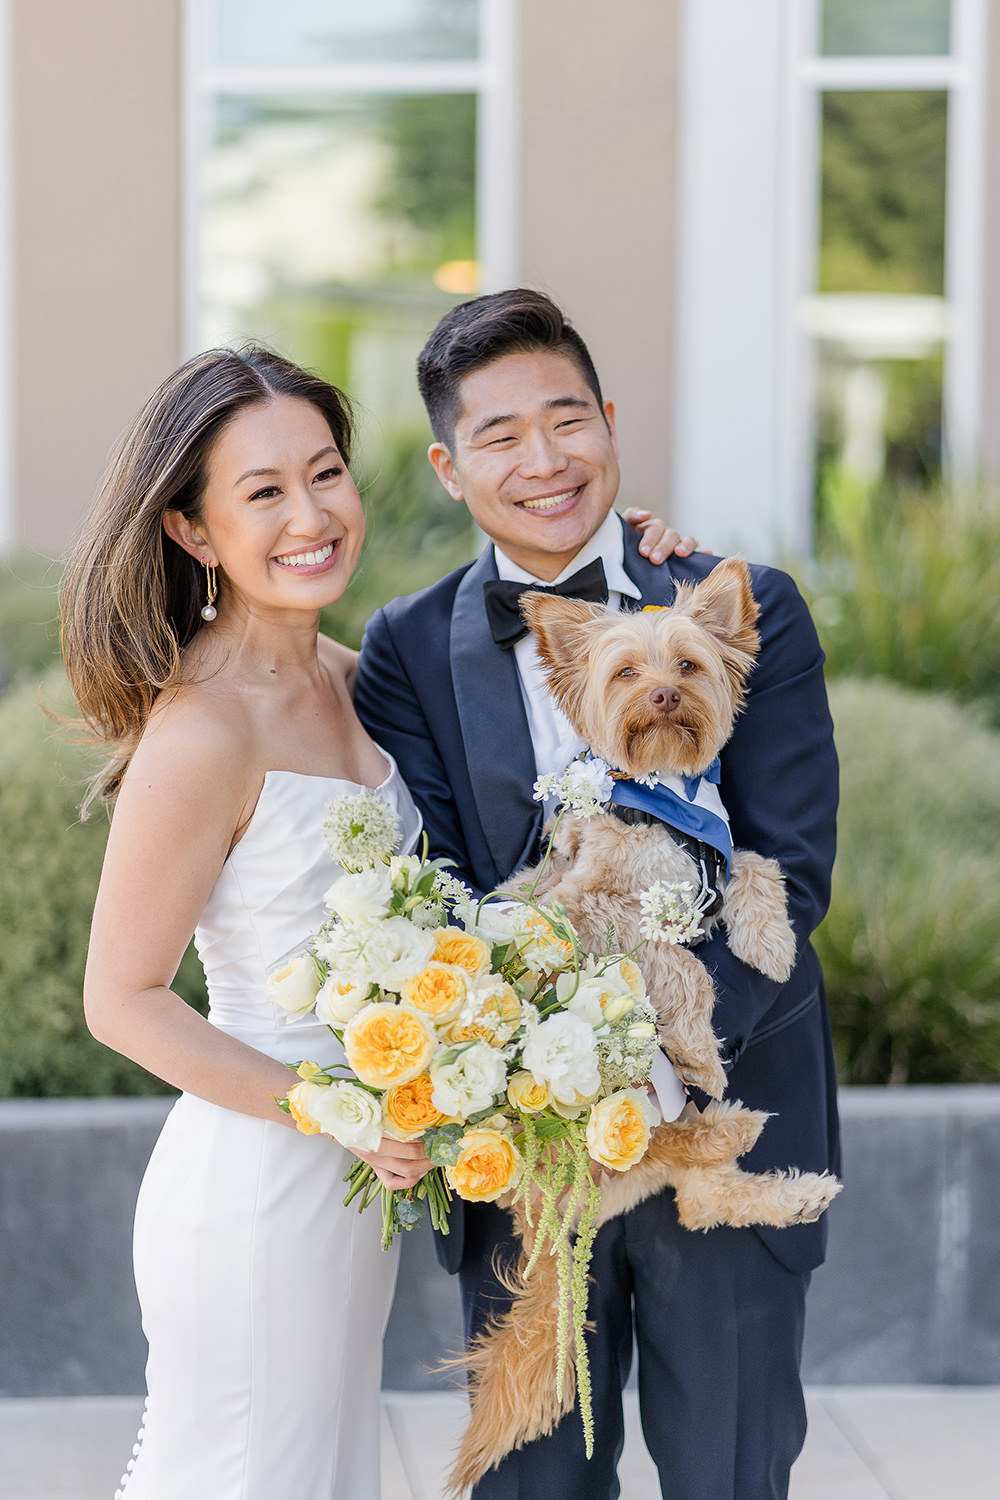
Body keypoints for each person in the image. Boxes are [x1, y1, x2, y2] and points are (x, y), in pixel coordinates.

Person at [61, 343, 685, 1499]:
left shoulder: (360, 678)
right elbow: (121, 1001)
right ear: (194, 533)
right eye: (262, 493)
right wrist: (333, 1111)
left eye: (326, 472)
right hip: (259, 1174)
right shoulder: (202, 729)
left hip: (360, 1180)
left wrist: (636, 556)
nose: (311, 514)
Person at [353, 288, 840, 1500]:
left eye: (565, 419)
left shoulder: (740, 605)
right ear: (449, 467)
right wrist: (535, 1072)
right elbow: (433, 888)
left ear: (610, 424)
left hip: (727, 1115)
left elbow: (792, 865)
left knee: (729, 1474)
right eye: (500, 435)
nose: (542, 459)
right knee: (531, 1483)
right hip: (526, 1159)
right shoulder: (406, 646)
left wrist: (650, 1058)